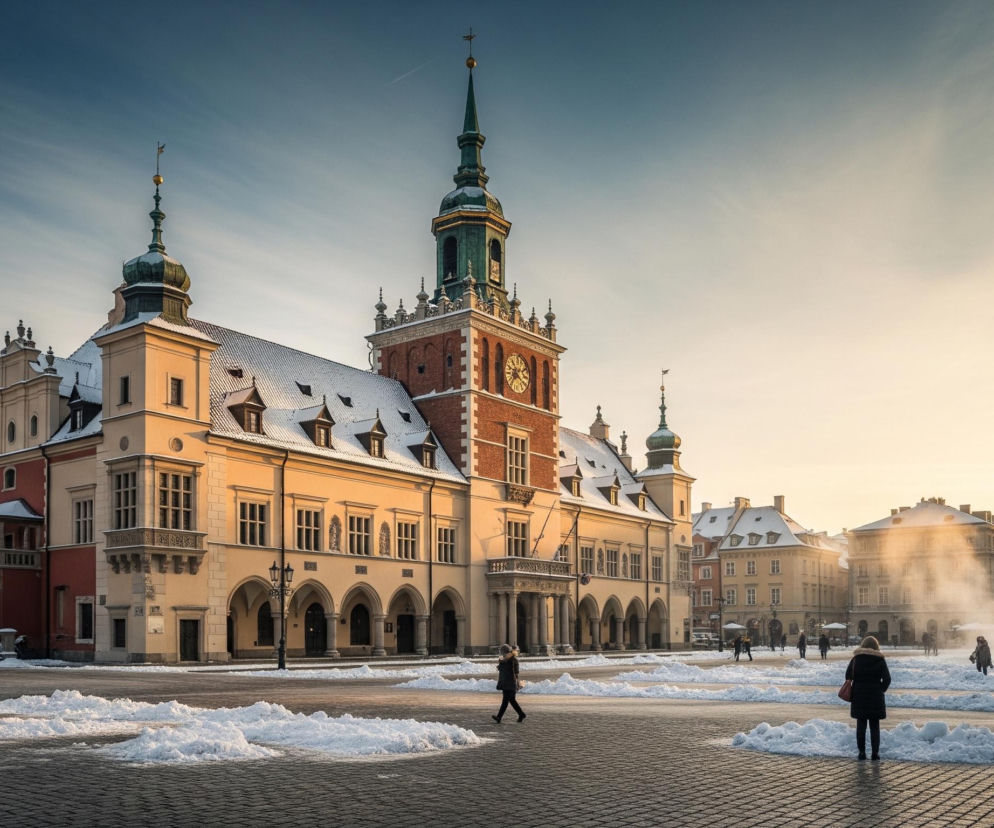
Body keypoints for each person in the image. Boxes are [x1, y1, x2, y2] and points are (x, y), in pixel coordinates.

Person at [845, 635, 890, 760]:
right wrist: (880, 689)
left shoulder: (856, 659)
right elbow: (887, 679)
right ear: (876, 646)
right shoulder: (880, 659)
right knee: (875, 726)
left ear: (863, 645)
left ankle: (861, 752)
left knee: (861, 725)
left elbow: (848, 675)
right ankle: (875, 753)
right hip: (875, 696)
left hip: (859, 695)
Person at [492, 644, 526, 723]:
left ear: (506, 652)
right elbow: (503, 671)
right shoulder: (505, 660)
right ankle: (521, 714)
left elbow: (516, 673)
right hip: (506, 683)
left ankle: (499, 717)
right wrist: (500, 664)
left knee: (505, 702)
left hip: (510, 684)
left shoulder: (513, 660)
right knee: (512, 701)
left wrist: (517, 684)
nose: (502, 654)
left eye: (503, 652)